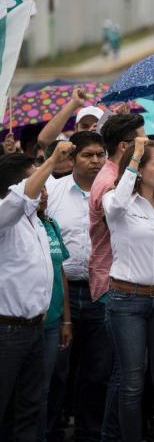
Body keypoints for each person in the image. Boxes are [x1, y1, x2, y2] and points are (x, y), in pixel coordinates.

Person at [102, 137, 154, 442]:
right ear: (138, 167)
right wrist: (133, 155)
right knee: (132, 381)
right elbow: (118, 202)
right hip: (126, 301)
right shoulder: (116, 200)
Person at [0, 141, 73, 441]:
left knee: (31, 408)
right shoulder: (4, 216)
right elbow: (19, 199)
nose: (45, 188)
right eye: (39, 179)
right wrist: (53, 158)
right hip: (6, 331)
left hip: (36, 328)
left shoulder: (38, 222)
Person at [44, 131, 106, 439]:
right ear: (72, 158)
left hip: (100, 294)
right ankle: (51, 432)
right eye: (87, 155)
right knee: (56, 371)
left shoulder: (112, 192)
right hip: (61, 294)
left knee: (96, 372)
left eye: (100, 155)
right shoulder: (52, 191)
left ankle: (88, 433)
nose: (95, 161)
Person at [89, 113, 145, 441]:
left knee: (125, 372)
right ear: (126, 147)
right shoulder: (110, 181)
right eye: (142, 142)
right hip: (114, 282)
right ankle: (111, 435)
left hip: (119, 279)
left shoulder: (116, 173)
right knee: (125, 374)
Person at [36, 183, 73, 442]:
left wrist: (66, 319)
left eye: (46, 190)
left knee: (44, 390)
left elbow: (60, 272)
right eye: (38, 189)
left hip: (51, 323)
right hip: (20, 325)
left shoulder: (51, 224)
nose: (44, 195)